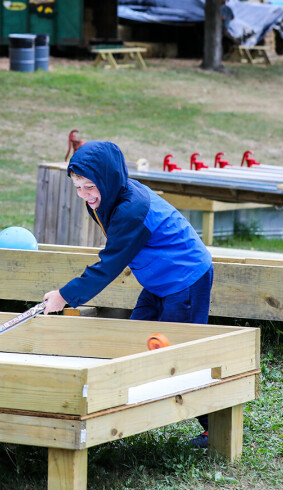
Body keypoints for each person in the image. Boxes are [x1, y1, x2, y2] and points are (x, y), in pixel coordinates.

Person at [42, 140, 215, 448]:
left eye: (90, 186)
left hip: (186, 278)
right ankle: (120, 419)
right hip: (159, 280)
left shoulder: (131, 209)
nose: (85, 195)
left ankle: (214, 427)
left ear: (108, 179)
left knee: (177, 355)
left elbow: (109, 264)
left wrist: (64, 296)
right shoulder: (106, 198)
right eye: (78, 188)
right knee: (133, 340)